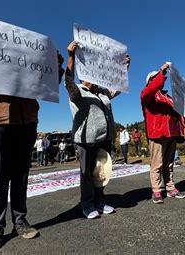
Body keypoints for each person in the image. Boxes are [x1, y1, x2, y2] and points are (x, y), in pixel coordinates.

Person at [0, 17, 65, 252]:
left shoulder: (28, 58)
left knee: (21, 176)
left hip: (26, 121)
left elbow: (48, 85)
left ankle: (20, 221)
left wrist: (55, 65)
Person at [64, 41, 130, 218]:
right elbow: (68, 81)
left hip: (104, 138)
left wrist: (124, 69)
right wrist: (71, 56)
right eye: (87, 75)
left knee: (101, 172)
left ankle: (100, 202)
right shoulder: (77, 91)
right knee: (87, 174)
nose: (91, 79)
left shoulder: (102, 92)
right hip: (86, 140)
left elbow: (117, 88)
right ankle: (87, 204)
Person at [141, 63, 185, 204]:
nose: (161, 78)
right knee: (157, 164)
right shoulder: (147, 95)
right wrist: (161, 72)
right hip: (157, 134)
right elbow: (150, 90)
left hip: (171, 134)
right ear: (150, 81)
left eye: (159, 76)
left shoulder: (168, 97)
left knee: (169, 163)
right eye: (155, 77)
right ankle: (156, 190)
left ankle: (170, 187)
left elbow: (177, 114)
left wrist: (183, 128)